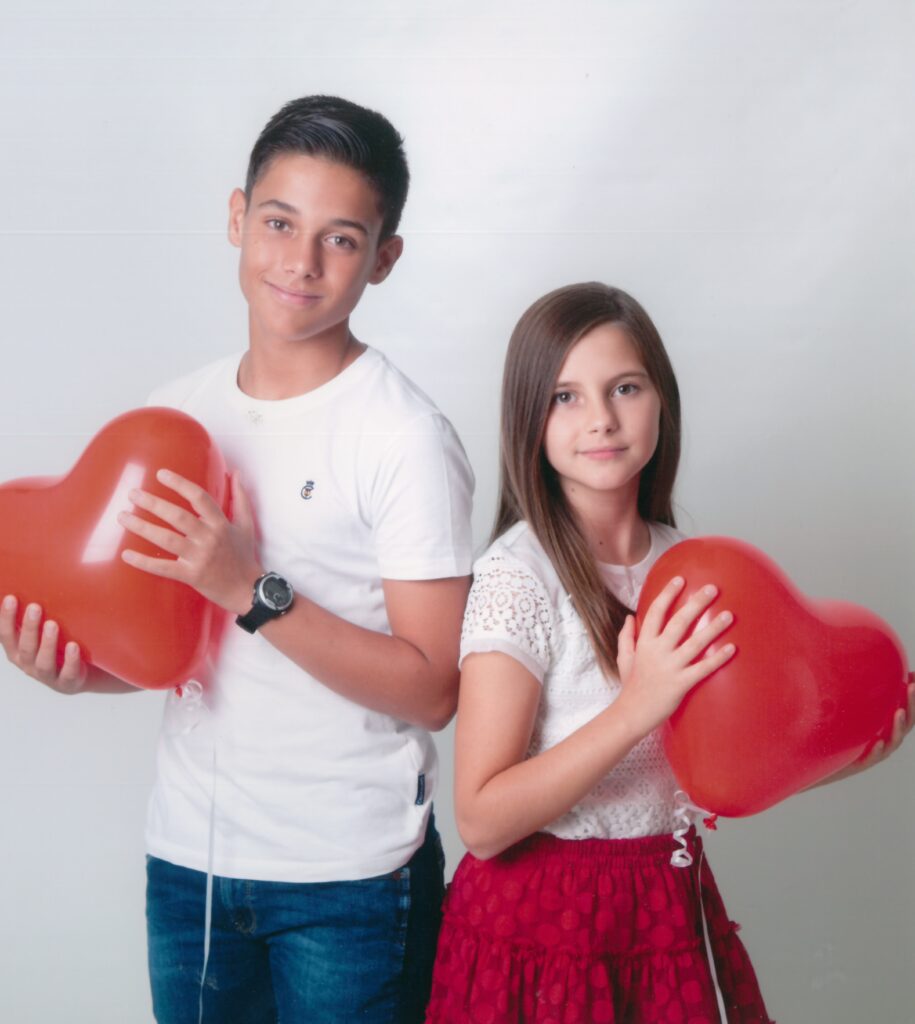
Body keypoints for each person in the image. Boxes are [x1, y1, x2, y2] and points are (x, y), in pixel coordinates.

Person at [0, 95, 474, 1024]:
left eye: (341, 239)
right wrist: (75, 675)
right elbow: (172, 647)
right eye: (278, 222)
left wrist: (248, 588)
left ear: (384, 258)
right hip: (189, 870)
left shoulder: (405, 437)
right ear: (235, 218)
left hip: (350, 881)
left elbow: (433, 689)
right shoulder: (172, 416)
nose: (300, 262)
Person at [424, 282, 914, 1024]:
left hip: (664, 911)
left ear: (661, 400)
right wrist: (637, 705)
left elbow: (711, 773)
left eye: (624, 387)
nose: (601, 419)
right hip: (540, 926)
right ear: (528, 418)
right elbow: (482, 820)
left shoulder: (697, 566)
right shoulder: (517, 576)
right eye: (564, 397)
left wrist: (843, 761)